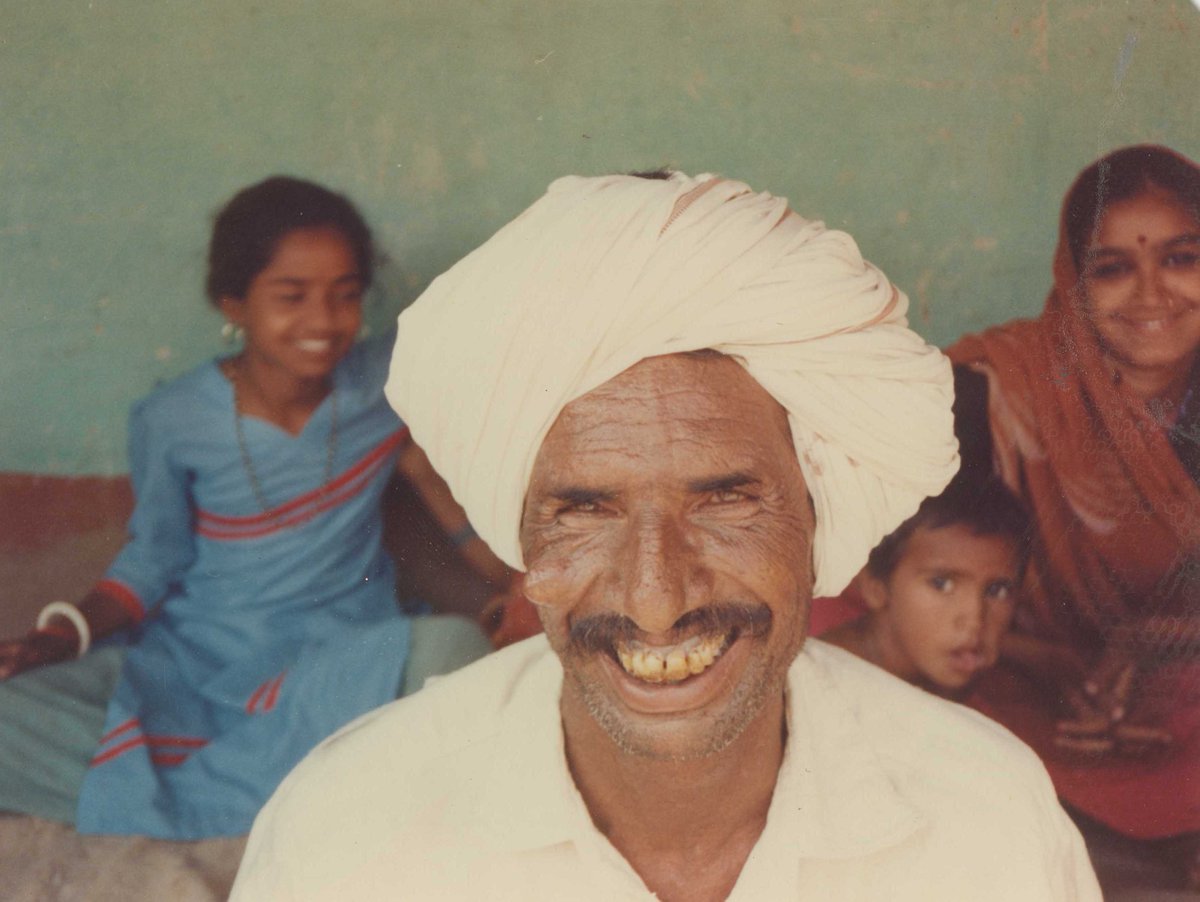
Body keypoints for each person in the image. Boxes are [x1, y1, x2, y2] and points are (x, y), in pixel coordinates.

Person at [233, 171, 1100, 900]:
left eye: (724, 503)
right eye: (585, 510)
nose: (655, 597)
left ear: (816, 512)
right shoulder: (347, 842)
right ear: (524, 540)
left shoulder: (986, 829)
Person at [0, 176, 502, 840]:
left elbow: (494, 314)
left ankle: (197, 799)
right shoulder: (173, 418)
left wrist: (515, 580)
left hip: (342, 653)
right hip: (197, 660)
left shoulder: (390, 384)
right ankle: (320, 787)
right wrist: (65, 632)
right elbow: (152, 558)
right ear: (232, 302)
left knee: (456, 650)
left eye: (346, 295)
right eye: (292, 296)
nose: (324, 322)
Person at [947, 145, 1200, 877]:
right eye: (1113, 268)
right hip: (1016, 683)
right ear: (1073, 278)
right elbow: (909, 576)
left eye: (1182, 258)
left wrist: (1154, 652)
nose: (1151, 294)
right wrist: (1052, 665)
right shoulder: (1000, 391)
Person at [821, 476, 1029, 699]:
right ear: (874, 587)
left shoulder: (933, 660)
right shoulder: (828, 689)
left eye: (997, 590)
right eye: (942, 584)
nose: (975, 620)